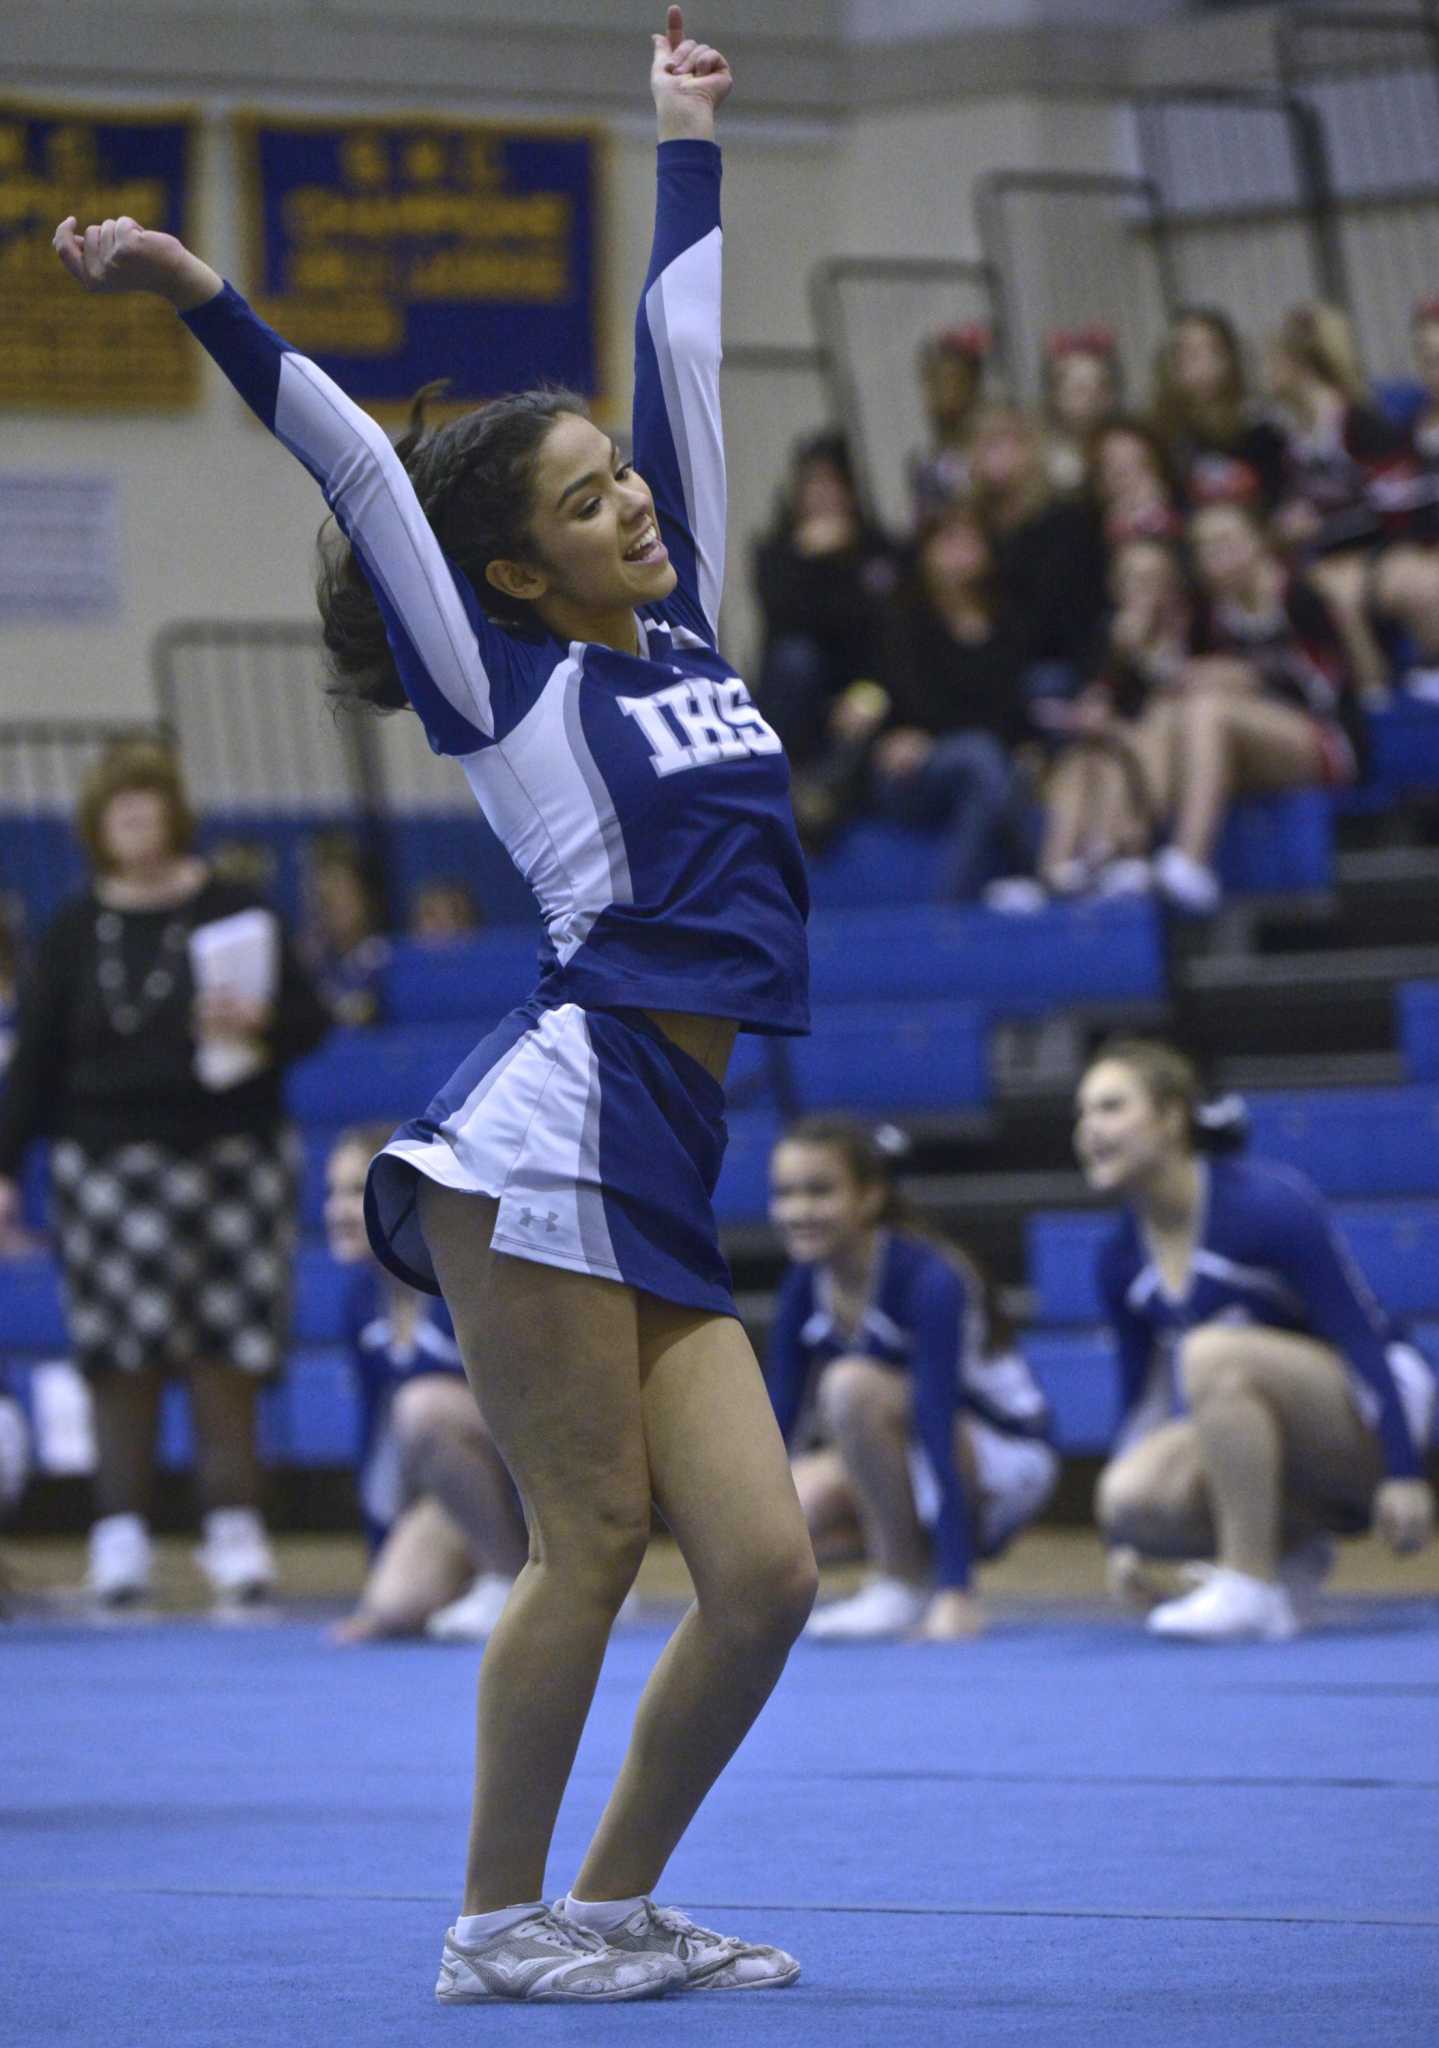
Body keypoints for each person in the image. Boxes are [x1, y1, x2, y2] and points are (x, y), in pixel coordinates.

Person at [55, 8, 815, 2003]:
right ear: (511, 563)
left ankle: (613, 1899)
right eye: (581, 502)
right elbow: (346, 453)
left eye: (621, 481)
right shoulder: (510, 691)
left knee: (760, 1573)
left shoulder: (688, 623)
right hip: (549, 1129)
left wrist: (680, 136)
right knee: (590, 1540)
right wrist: (192, 284)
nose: (632, 500)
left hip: (661, 1143)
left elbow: (685, 342)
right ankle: (492, 1924)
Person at [0, 740, 329, 1612]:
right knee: (121, 1354)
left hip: (233, 1152)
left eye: (148, 807)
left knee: (229, 1348)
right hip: (106, 1162)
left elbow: (312, 1020)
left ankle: (236, 1534)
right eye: (120, 812)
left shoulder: (236, 906)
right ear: (98, 829)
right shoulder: (73, 928)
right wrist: (4, 1163)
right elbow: (32, 1060)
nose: (136, 824)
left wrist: (259, 1022)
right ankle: (120, 1542)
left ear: (174, 815)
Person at [1076, 1039, 1436, 1642]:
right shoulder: (1118, 1258)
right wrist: (1122, 1542)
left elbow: (1361, 1336)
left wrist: (1404, 1470)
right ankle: (1292, 1548)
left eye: (1111, 1107)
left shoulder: (1265, 1204)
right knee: (1126, 1494)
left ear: (1171, 1118)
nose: (1089, 1129)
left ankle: (1247, 1583)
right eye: (1082, 1114)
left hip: (1371, 1409)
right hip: (1277, 1427)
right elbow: (1143, 1401)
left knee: (1210, 1353)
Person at [766, 1118, 1058, 1642]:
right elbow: (777, 1424)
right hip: (912, 1452)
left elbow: (937, 1426)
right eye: (785, 1194)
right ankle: (906, 1571)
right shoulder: (804, 1285)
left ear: (871, 1196)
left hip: (1002, 1459)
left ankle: (904, 1583)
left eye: (819, 1191)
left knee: (850, 1386)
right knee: (792, 1507)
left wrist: (957, 1594)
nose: (798, 1211)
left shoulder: (932, 1279)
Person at [323, 1125, 527, 1644]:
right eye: (332, 1193)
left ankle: (515, 1582)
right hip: (450, 1496)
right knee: (391, 1610)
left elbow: (538, 1412)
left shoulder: (465, 1283)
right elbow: (377, 1442)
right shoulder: (360, 1303)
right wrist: (384, 1550)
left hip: (524, 1487)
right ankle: (480, 1577)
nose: (338, 1210)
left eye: (354, 1192)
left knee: (424, 1408)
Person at [1131, 499, 1361, 915]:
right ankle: (1128, 850)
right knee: (1165, 714)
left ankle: (1191, 861)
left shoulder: (1299, 596)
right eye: (1203, 548)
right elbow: (1180, 678)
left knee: (1208, 709)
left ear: (1258, 543)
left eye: (1225, 542)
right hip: (1242, 744)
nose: (1213, 556)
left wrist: (1251, 678)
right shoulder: (1209, 615)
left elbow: (1333, 688)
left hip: (1322, 739)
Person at [869, 504, 1031, 901]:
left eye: (969, 540)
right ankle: (1024, 876)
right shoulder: (904, 619)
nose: (959, 552)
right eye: (947, 541)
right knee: (983, 757)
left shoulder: (1009, 622)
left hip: (984, 761)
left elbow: (1015, 707)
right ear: (925, 554)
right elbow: (915, 702)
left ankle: (957, 907)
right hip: (914, 768)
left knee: (988, 773)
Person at [1034, 536, 1192, 899]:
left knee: (1120, 754)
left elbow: (1171, 698)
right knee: (1081, 762)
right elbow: (1100, 697)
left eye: (1152, 580)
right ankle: (1053, 873)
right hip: (1117, 748)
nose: (1142, 592)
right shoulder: (1109, 635)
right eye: (1132, 581)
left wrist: (1136, 652)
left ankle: (1116, 852)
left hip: (1172, 754)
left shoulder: (1189, 629)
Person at [751, 430, 895, 768]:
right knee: (796, 658)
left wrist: (843, 560)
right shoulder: (777, 554)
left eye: (833, 483)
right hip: (800, 695)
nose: (823, 495)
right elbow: (785, 620)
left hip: (864, 685)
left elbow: (884, 629)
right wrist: (808, 559)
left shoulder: (878, 549)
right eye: (813, 483)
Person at [1149, 306, 1288, 514]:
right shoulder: (1163, 435)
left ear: (1228, 358)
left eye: (1208, 350)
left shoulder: (1259, 426)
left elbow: (1279, 498)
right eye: (1185, 352)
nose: (1197, 361)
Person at [908, 323, 991, 525]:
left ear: (972, 384)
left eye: (949, 380)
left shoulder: (993, 450)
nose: (938, 393)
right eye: (930, 382)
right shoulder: (926, 465)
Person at [1043, 326, 1122, 494]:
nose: (1093, 398)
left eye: (1101, 387)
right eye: (1080, 389)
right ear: (1054, 396)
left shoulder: (1129, 448)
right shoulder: (1040, 457)